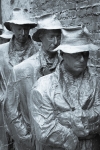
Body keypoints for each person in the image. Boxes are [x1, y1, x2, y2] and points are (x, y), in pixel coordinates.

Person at [29, 25, 100, 150]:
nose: (82, 59)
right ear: (62, 54)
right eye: (76, 54)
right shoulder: (43, 87)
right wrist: (75, 141)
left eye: (85, 53)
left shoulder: (96, 81)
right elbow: (45, 131)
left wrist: (66, 119)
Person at [4, 14, 63, 150]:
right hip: (32, 142)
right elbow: (11, 110)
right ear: (41, 36)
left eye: (59, 36)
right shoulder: (21, 70)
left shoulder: (66, 67)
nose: (56, 41)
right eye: (51, 36)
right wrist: (26, 140)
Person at [0, 7, 37, 150]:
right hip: (4, 110)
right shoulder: (2, 51)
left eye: (26, 29)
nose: (23, 33)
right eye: (19, 29)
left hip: (28, 113)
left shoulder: (37, 53)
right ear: (12, 28)